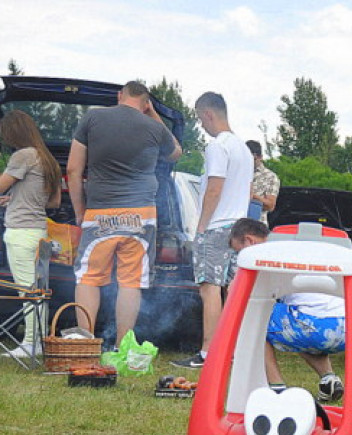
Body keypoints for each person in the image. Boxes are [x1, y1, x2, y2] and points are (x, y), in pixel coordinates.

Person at [66, 80, 182, 346]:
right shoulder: (154, 127)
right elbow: (176, 153)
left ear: (120, 95)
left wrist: (79, 212)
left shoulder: (92, 118)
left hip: (100, 213)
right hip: (141, 216)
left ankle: (85, 344)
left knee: (89, 279)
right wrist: (153, 116)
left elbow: (73, 170)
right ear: (145, 104)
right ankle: (122, 345)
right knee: (130, 282)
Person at [173, 92, 253, 369]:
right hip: (239, 227)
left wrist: (201, 228)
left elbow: (215, 189)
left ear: (208, 114)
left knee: (209, 288)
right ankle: (232, 349)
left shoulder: (218, 146)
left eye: (199, 118)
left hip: (218, 226)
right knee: (231, 289)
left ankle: (208, 352)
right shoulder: (243, 148)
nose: (201, 125)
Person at [228, 218, 345, 401]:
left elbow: (242, 294)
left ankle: (277, 388)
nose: (239, 258)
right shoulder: (296, 248)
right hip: (345, 328)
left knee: (255, 319)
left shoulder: (266, 257)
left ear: (249, 241)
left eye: (238, 252)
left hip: (314, 326)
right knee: (290, 325)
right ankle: (329, 379)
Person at [0, 110, 62, 359]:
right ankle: (37, 340)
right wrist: (15, 200)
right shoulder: (48, 160)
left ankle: (31, 344)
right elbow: (54, 202)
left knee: (28, 292)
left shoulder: (23, 155)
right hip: (39, 231)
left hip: (21, 232)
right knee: (38, 291)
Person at [246, 140, 279, 226]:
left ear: (260, 157)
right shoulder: (236, 173)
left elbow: (270, 206)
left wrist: (252, 196)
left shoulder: (271, 177)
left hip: (257, 226)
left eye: (252, 158)